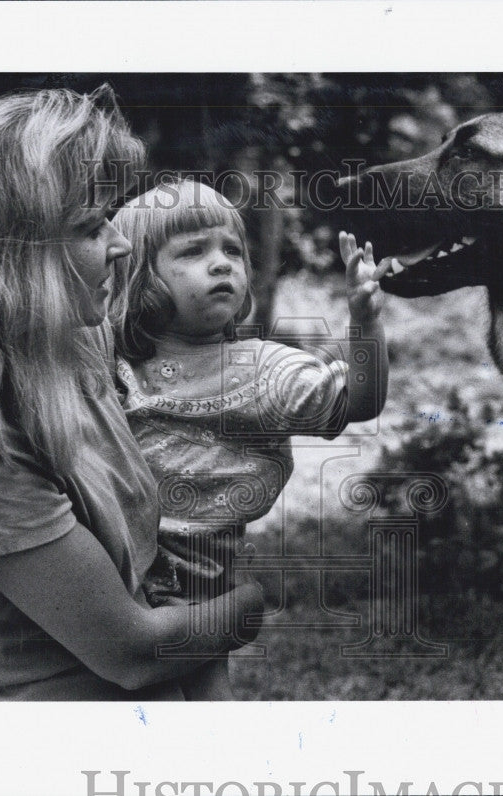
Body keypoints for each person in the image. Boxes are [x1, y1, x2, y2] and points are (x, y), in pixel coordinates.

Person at [0, 86, 263, 701]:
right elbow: (132, 650)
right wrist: (249, 603)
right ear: (2, 258)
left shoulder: (70, 350)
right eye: (93, 227)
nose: (121, 245)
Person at [111, 179, 390, 698]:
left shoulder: (259, 368)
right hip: (114, 581)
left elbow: (358, 401)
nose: (222, 263)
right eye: (193, 251)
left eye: (232, 250)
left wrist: (365, 323)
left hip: (199, 594)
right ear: (138, 276)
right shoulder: (114, 365)